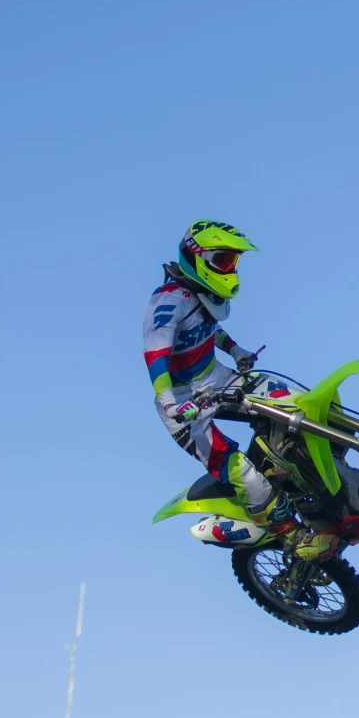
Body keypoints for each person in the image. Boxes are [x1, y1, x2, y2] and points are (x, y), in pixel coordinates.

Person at [143, 219, 284, 545]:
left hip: (214, 377)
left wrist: (236, 350)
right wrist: (168, 401)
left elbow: (208, 329)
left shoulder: (202, 295)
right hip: (179, 398)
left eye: (233, 261)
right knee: (231, 462)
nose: (230, 268)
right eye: (223, 260)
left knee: (281, 399)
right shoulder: (167, 302)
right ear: (197, 258)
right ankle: (288, 528)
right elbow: (155, 355)